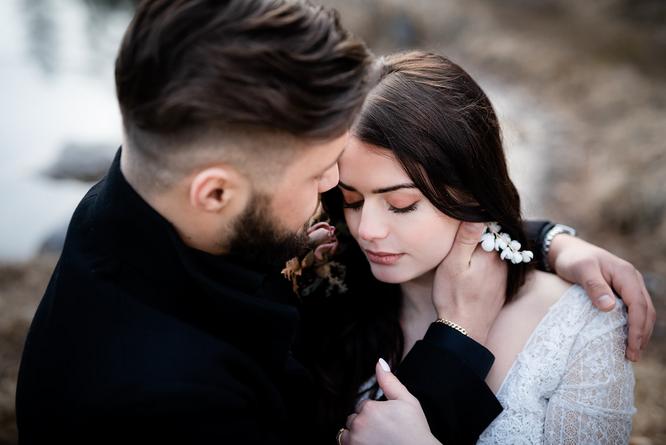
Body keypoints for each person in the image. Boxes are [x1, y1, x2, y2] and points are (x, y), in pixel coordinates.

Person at [15, 1, 654, 444]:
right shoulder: (168, 404)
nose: (351, 219)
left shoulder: (133, 209)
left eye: (396, 204)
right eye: (330, 184)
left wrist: (536, 239)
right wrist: (457, 342)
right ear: (215, 193)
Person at [310, 51, 637, 444]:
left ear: (471, 190)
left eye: (402, 205)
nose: (367, 230)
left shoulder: (581, 326)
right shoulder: (325, 290)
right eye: (353, 201)